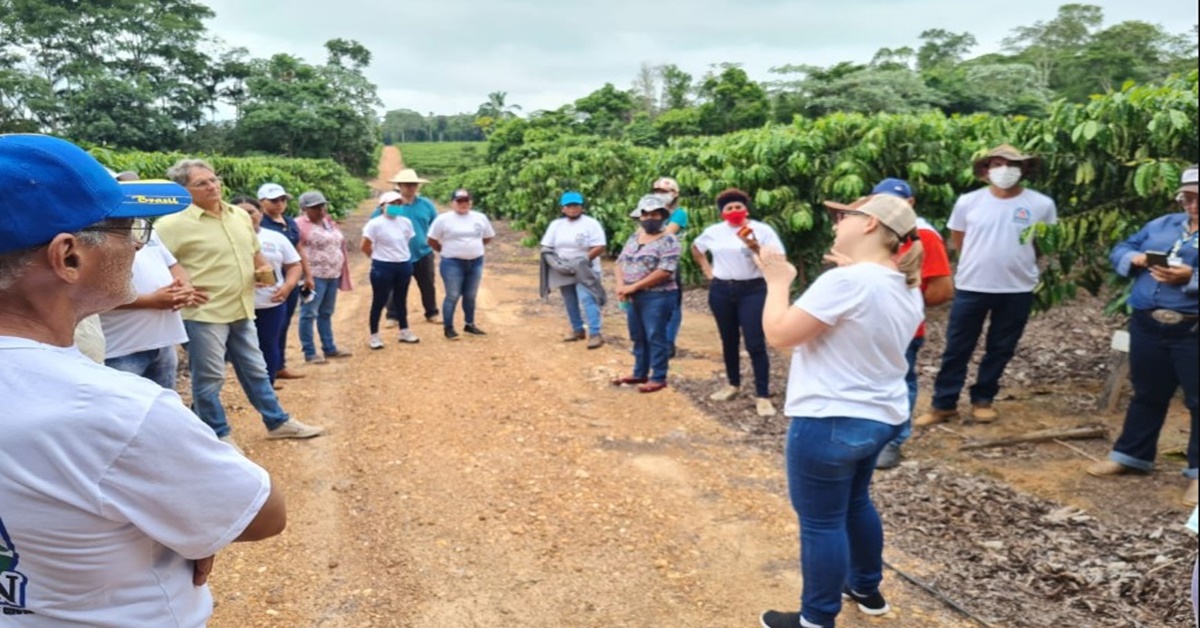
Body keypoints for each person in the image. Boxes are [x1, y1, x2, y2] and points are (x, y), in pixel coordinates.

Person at [0, 134, 285, 624]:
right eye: (128, 227)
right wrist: (177, 526)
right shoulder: (116, 410)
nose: (136, 243)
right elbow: (263, 514)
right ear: (68, 256)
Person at [757, 195, 925, 628]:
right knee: (854, 503)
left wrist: (778, 281)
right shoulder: (904, 285)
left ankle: (816, 618)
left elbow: (779, 334)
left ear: (869, 224)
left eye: (844, 215)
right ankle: (866, 588)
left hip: (829, 419)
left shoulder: (845, 282)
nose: (836, 221)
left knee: (821, 523)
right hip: (880, 417)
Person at [155, 159, 325, 451]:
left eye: (214, 179)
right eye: (202, 183)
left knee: (256, 369)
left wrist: (263, 274)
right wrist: (182, 288)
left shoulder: (238, 215)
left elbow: (255, 252)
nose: (212, 186)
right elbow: (156, 262)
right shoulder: (171, 224)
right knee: (209, 377)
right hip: (203, 312)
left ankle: (277, 422)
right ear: (184, 190)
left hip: (242, 307)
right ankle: (218, 434)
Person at [916, 144, 1057, 427]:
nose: (1004, 170)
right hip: (972, 286)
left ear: (1024, 169)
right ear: (986, 170)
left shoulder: (1041, 204)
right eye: (997, 164)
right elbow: (959, 239)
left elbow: (1043, 243)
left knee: (1001, 347)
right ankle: (944, 404)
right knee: (957, 347)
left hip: (1017, 288)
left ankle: (983, 399)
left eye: (1012, 164)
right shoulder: (969, 202)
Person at [1088, 165, 1198, 507]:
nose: (1193, 206)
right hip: (1149, 323)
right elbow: (1121, 247)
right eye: (1189, 198)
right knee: (1147, 391)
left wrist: (1190, 279)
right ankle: (1132, 455)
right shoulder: (1162, 225)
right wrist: (1132, 258)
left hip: (1192, 327)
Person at [825, 179, 954, 469]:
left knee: (899, 381)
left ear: (910, 205)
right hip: (861, 325)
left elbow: (941, 290)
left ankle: (894, 440)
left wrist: (901, 299)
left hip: (901, 329)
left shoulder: (923, 236)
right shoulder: (866, 233)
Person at [691, 188, 784, 417]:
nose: (734, 211)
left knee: (755, 343)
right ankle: (733, 384)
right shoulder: (714, 231)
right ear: (722, 213)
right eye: (729, 208)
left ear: (746, 208)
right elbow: (696, 247)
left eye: (738, 207)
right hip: (722, 289)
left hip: (753, 290)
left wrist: (755, 247)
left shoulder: (762, 230)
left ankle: (762, 395)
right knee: (728, 339)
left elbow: (778, 259)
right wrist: (707, 270)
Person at [612, 194, 681, 393]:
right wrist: (621, 285)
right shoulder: (635, 237)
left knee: (655, 335)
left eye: (654, 214)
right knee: (637, 335)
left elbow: (665, 271)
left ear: (662, 216)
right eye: (646, 215)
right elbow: (620, 262)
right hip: (633, 296)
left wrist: (634, 287)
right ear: (639, 217)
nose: (650, 218)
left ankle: (658, 376)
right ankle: (639, 372)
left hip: (658, 296)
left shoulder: (669, 240)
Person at [234, 196, 302, 386]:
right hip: (235, 304)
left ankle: (267, 385)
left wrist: (287, 287)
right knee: (241, 349)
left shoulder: (275, 238)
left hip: (269, 302)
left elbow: (294, 265)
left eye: (251, 212)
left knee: (268, 343)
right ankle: (250, 385)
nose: (247, 216)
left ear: (261, 213)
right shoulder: (223, 239)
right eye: (241, 212)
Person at [257, 183, 312, 380]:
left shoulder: (289, 222)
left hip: (290, 281)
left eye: (283, 200)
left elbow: (298, 250)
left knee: (283, 324)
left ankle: (278, 366)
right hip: (267, 285)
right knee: (269, 331)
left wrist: (307, 275)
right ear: (261, 203)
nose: (280, 204)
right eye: (274, 200)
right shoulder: (260, 226)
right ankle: (266, 373)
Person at [540, 191, 607, 349]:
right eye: (569, 206)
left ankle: (595, 333)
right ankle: (577, 329)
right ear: (563, 208)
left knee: (587, 298)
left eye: (576, 206)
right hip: (563, 268)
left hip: (586, 268)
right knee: (569, 299)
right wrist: (555, 263)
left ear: (582, 207)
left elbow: (600, 246)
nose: (572, 209)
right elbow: (547, 246)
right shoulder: (556, 225)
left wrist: (584, 259)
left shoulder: (591, 224)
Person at [295, 190, 354, 364]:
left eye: (322, 206)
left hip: (332, 274)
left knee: (326, 312)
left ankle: (329, 347)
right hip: (313, 275)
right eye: (315, 207)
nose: (320, 210)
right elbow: (296, 250)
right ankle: (310, 352)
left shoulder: (329, 223)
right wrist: (305, 275)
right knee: (308, 313)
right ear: (305, 208)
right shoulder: (299, 225)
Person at [428, 188, 496, 340]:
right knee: (452, 295)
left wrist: (474, 248)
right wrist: (444, 250)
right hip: (452, 262)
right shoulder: (443, 219)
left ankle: (469, 324)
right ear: (452, 203)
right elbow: (431, 239)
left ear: (471, 202)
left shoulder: (480, 217)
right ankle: (449, 327)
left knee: (471, 295)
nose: (463, 204)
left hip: (476, 261)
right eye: (459, 201)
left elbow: (487, 237)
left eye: (466, 200)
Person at [362, 192, 419, 348]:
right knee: (379, 301)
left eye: (399, 204)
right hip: (383, 266)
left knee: (401, 299)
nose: (396, 207)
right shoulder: (375, 224)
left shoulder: (406, 222)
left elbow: (406, 241)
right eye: (392, 204)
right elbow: (365, 246)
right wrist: (377, 258)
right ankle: (374, 335)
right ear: (383, 206)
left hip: (403, 264)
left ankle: (404, 330)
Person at [387, 168, 440, 324]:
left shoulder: (426, 205)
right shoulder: (394, 205)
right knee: (396, 286)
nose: (411, 187)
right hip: (398, 253)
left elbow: (435, 225)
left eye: (413, 185)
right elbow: (379, 221)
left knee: (428, 284)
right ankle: (392, 315)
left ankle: (432, 312)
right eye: (407, 184)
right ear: (399, 186)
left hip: (423, 252)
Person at [653, 177, 690, 357]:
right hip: (648, 263)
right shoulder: (650, 211)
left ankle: (669, 342)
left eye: (665, 192)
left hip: (669, 263)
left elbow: (667, 233)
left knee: (672, 304)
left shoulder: (679, 213)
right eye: (658, 192)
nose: (661, 195)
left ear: (674, 194)